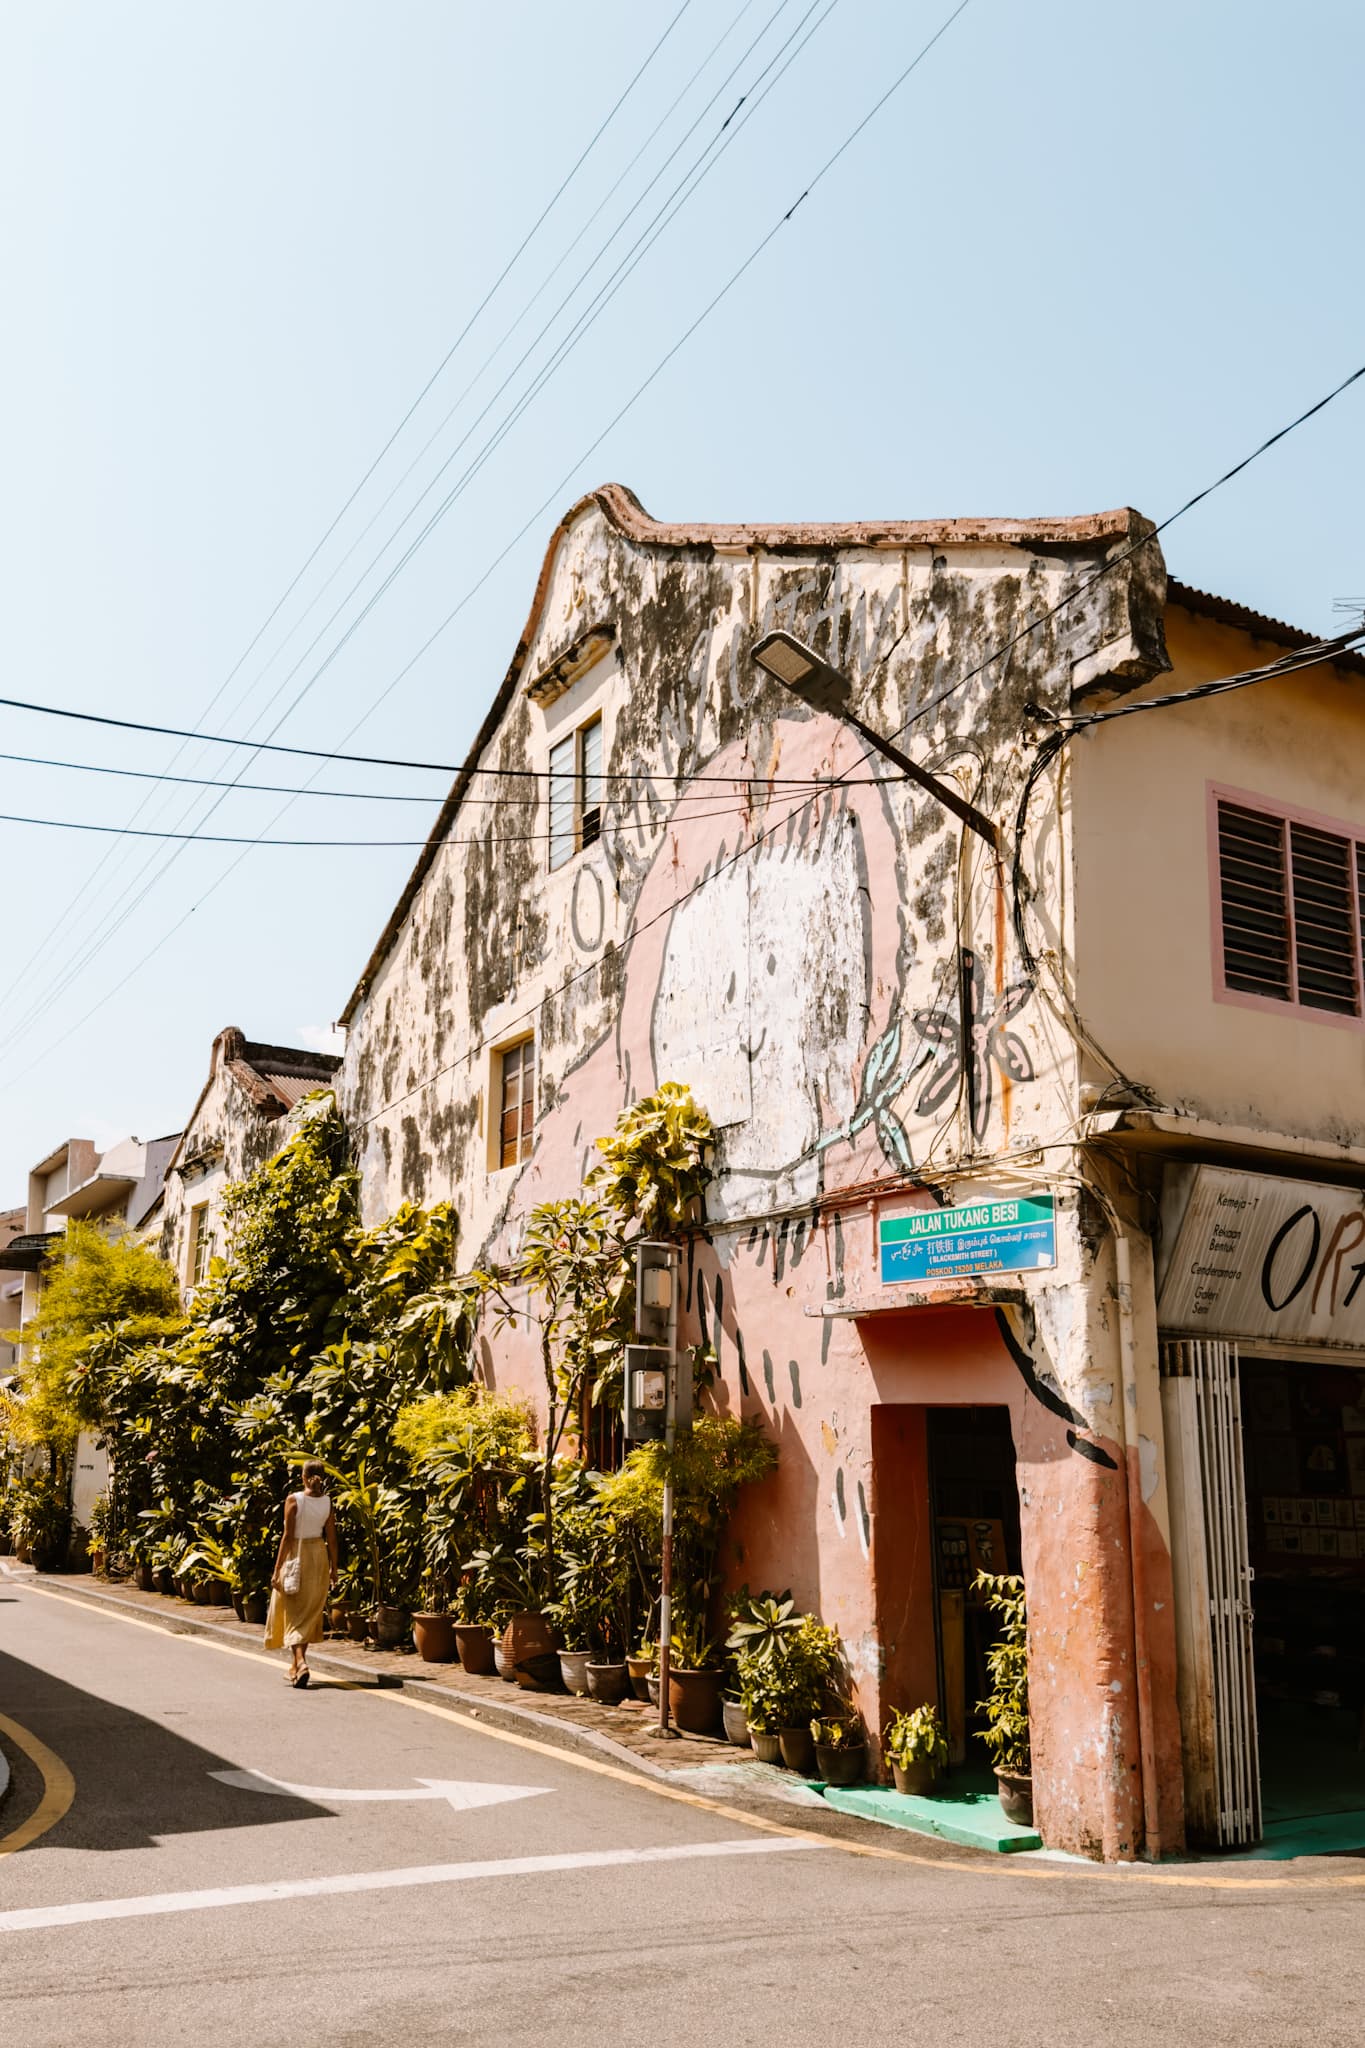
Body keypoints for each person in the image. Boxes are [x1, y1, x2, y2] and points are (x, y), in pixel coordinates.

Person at [264, 1460, 337, 1687]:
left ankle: (301, 1662)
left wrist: (277, 1569)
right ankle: (295, 1667)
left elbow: (287, 1536)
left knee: (293, 1611)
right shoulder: (327, 1502)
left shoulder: (294, 1499)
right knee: (307, 1613)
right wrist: (335, 1567)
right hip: (319, 1556)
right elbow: (332, 1538)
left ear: (303, 1477)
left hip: (297, 1555)